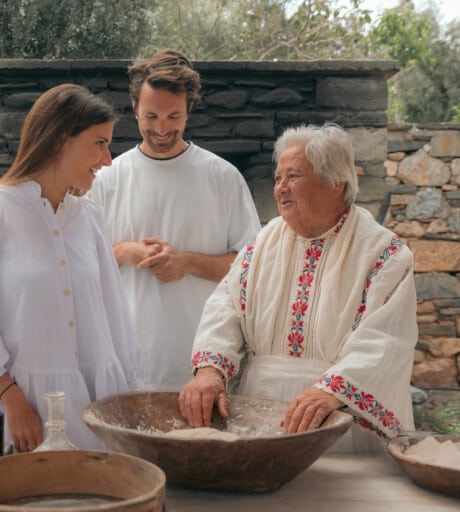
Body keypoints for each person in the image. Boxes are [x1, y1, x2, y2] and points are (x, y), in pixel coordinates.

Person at [179, 123, 418, 453]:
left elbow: (386, 339)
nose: (280, 188)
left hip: (336, 419)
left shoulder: (383, 253)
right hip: (256, 411)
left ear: (336, 181)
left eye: (293, 176)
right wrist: (209, 371)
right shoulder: (262, 244)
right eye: (278, 178)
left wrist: (329, 392)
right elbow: (226, 310)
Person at [0, 84, 142, 452]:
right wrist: (11, 400)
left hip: (94, 413)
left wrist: (125, 398)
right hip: (20, 415)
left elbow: (115, 321)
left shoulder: (89, 218)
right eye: (99, 143)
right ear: (62, 139)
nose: (108, 159)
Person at [87, 49, 261, 391]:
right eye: (151, 115)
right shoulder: (106, 179)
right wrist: (122, 252)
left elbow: (254, 270)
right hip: (126, 366)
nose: (162, 128)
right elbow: (76, 266)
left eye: (173, 116)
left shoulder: (222, 177)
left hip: (205, 368)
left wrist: (187, 262)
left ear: (189, 110)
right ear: (134, 107)